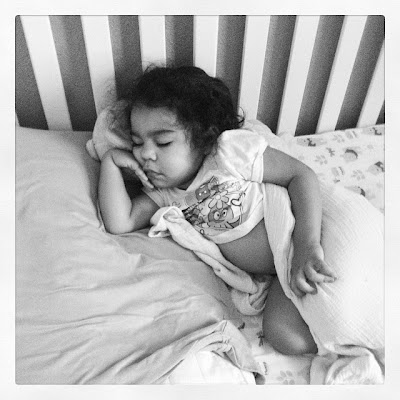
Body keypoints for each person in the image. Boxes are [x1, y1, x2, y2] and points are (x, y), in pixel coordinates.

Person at [98, 65, 337, 356]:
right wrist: (111, 162)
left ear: (203, 138)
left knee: (340, 287)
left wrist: (307, 244)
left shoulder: (227, 155)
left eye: (163, 142)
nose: (145, 153)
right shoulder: (166, 195)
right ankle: (347, 344)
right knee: (285, 337)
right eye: (137, 143)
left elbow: (300, 175)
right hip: (278, 270)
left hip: (305, 236)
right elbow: (120, 222)